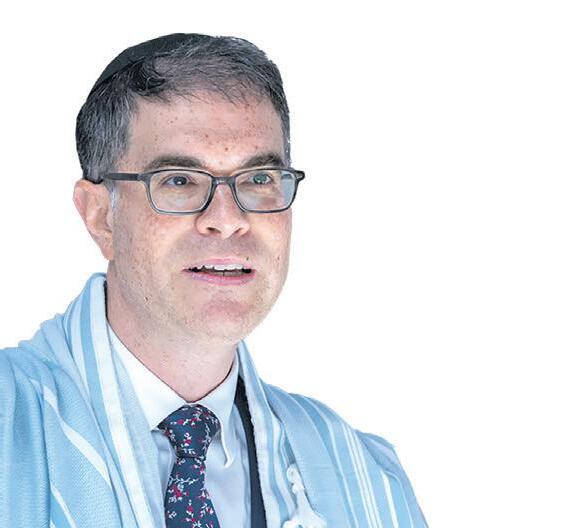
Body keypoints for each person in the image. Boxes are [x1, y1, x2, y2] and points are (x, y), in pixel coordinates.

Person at [0, 33, 428, 528]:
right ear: (101, 216)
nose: (227, 220)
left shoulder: (368, 479)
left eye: (258, 179)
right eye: (179, 180)